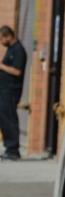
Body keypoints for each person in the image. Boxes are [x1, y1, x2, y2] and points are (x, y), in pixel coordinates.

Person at [0, 25, 27, 161]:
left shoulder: (18, 50)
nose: (1, 42)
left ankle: (13, 150)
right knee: (4, 119)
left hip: (11, 90)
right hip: (4, 90)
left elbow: (17, 71)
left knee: (9, 119)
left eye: (1, 39)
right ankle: (9, 148)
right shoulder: (11, 49)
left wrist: (1, 65)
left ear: (7, 36)